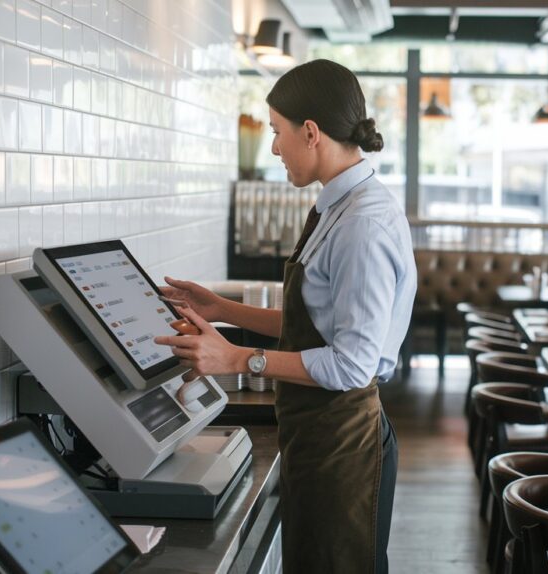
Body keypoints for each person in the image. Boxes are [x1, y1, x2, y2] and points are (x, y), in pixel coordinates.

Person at [153, 60, 416, 574]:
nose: (274, 147)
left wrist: (237, 357)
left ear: (311, 132)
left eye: (277, 132)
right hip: (318, 439)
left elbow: (351, 365)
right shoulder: (336, 206)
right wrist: (222, 310)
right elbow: (313, 322)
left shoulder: (363, 223)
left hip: (345, 446)